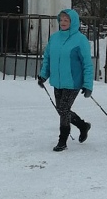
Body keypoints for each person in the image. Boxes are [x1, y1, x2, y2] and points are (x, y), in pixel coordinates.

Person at [38, 8, 94, 151]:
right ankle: (83, 126)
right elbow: (48, 58)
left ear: (73, 22)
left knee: (63, 109)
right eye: (61, 20)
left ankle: (62, 141)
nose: (63, 22)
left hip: (73, 82)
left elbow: (87, 64)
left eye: (66, 20)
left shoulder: (80, 40)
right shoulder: (55, 38)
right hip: (57, 81)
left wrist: (88, 85)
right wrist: (43, 75)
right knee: (62, 109)